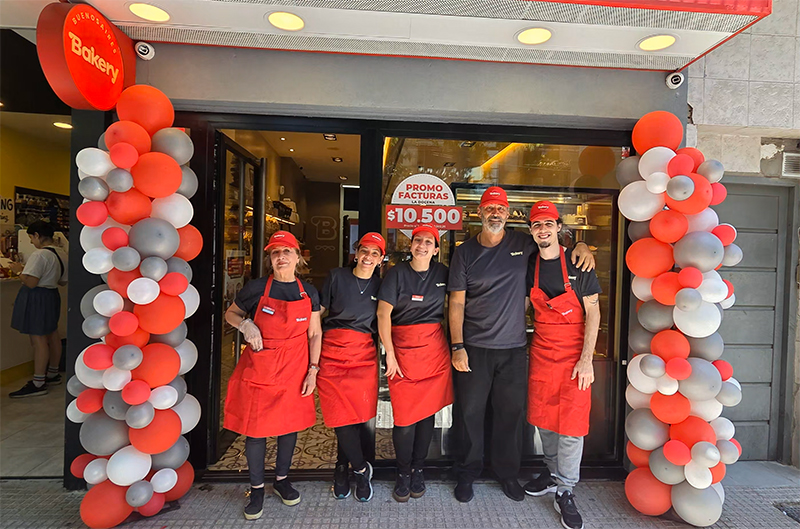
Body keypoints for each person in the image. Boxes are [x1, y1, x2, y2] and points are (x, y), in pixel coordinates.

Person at [448, 187, 594, 503]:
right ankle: (467, 473)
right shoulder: (465, 252)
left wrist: (580, 244)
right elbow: (456, 303)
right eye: (489, 208)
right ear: (480, 213)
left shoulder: (522, 242)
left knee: (509, 415)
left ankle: (507, 474)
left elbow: (554, 242)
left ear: (508, 214)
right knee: (470, 414)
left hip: (513, 348)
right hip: (474, 347)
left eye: (500, 209)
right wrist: (457, 345)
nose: (495, 214)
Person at [223, 231, 321, 520]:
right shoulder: (255, 288)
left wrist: (313, 370)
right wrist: (245, 325)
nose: (281, 257)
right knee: (255, 429)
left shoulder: (309, 292)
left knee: (288, 427)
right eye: (275, 252)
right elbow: (231, 314)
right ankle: (255, 488)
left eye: (286, 251)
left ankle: (281, 480)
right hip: (260, 368)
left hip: (295, 367)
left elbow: (314, 333)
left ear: (297, 256)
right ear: (270, 258)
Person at [523, 201, 601, 529]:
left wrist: (586, 360)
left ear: (559, 227)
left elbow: (593, 313)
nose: (543, 230)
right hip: (542, 351)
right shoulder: (530, 265)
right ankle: (552, 472)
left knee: (570, 424)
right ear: (531, 231)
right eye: (537, 225)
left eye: (548, 224)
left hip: (574, 355)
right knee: (543, 418)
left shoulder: (579, 264)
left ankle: (566, 489)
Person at [377, 225, 453, 503]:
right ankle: (403, 472)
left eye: (428, 242)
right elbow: (383, 314)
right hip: (403, 350)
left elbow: (459, 303)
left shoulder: (444, 273)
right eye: (417, 240)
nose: (421, 245)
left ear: (436, 249)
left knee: (427, 415)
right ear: (410, 246)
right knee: (405, 419)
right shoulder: (396, 274)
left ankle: (418, 469)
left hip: (434, 350)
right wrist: (391, 353)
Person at [317, 232, 385, 502]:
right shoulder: (336, 277)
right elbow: (318, 313)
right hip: (332, 353)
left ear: (381, 259)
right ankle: (359, 468)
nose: (368, 257)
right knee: (338, 416)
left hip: (363, 356)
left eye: (375, 253)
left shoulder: (383, 286)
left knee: (356, 417)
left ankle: (341, 469)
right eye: (364, 251)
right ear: (356, 253)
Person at [9, 221, 68, 398]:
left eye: (31, 238)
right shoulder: (61, 253)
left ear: (36, 235)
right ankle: (52, 372)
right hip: (52, 295)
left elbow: (31, 282)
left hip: (37, 297)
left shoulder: (40, 255)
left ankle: (38, 381)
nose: (32, 242)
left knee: (38, 338)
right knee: (52, 334)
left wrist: (19, 271)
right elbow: (63, 281)